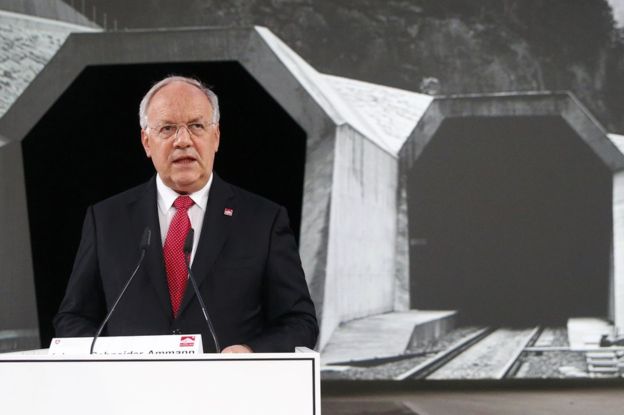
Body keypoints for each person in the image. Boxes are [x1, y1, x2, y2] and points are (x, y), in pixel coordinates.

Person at [54, 76, 319, 353]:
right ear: (146, 141)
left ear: (215, 137)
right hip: (131, 392)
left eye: (196, 126)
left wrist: (250, 352)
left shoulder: (263, 220)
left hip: (228, 391)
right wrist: (112, 359)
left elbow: (300, 322)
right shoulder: (107, 220)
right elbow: (73, 318)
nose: (183, 141)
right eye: (167, 128)